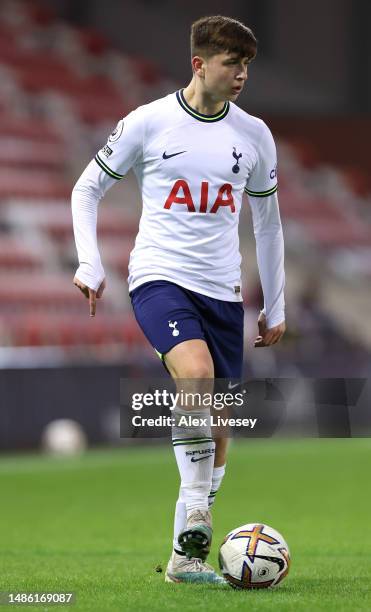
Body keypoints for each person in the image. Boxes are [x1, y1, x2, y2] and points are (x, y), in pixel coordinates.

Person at [72, 15, 286, 584]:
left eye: (246, 65)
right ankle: (196, 511)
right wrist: (90, 262)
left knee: (218, 425)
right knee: (194, 373)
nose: (241, 75)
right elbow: (87, 187)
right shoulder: (150, 123)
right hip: (159, 277)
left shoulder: (254, 135)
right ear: (199, 64)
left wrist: (277, 303)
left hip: (224, 292)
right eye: (231, 64)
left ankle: (184, 560)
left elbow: (267, 224)